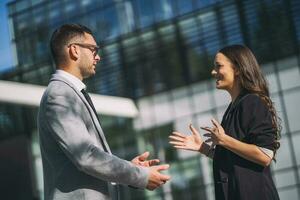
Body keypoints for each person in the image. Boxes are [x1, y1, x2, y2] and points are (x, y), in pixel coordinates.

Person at [38, 23, 170, 200]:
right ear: (74, 50)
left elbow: (90, 159)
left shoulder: (70, 93)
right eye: (93, 49)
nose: (98, 57)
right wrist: (140, 176)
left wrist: (130, 168)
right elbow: (86, 156)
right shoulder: (59, 96)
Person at [169, 44, 280, 200]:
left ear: (237, 69)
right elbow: (233, 158)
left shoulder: (252, 102)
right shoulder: (233, 108)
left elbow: (265, 155)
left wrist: (224, 140)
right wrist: (203, 148)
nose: (213, 72)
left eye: (218, 66)